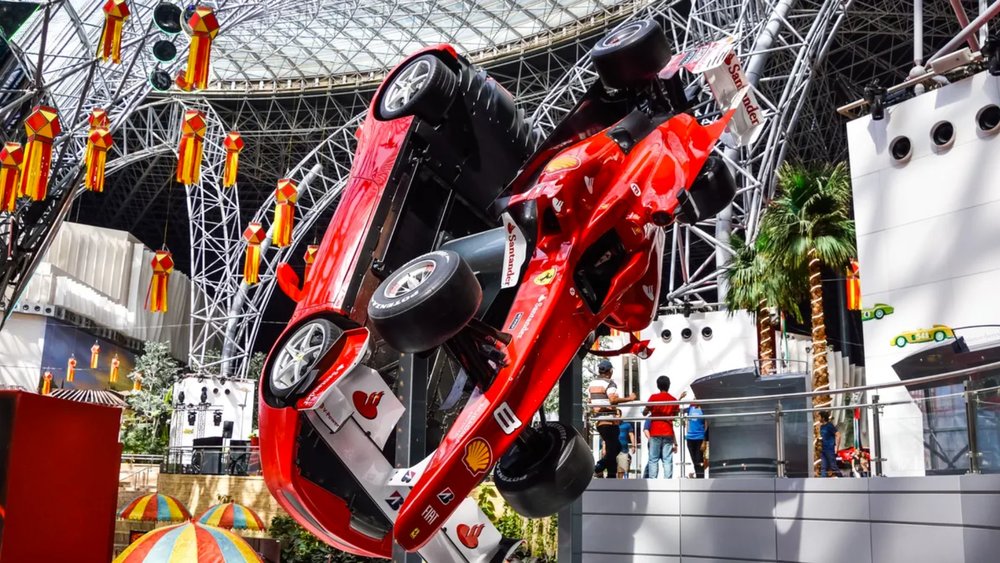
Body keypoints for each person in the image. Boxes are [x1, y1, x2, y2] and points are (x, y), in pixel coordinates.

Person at [589, 359, 636, 478]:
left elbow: (589, 400)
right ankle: (598, 467)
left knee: (611, 448)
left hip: (599, 421)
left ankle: (611, 475)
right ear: (609, 371)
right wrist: (629, 398)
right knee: (617, 447)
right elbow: (613, 400)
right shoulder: (610, 383)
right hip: (609, 420)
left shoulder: (592, 384)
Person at [643, 375, 679, 478]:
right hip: (668, 430)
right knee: (667, 458)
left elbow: (645, 413)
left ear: (658, 385)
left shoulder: (653, 398)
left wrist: (648, 411)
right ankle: (667, 480)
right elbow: (675, 416)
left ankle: (653, 480)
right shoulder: (674, 400)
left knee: (653, 458)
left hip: (655, 430)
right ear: (669, 385)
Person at [684, 400, 707, 478]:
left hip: (699, 438)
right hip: (690, 438)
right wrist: (680, 398)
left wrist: (704, 440)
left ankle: (700, 478)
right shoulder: (690, 408)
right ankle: (698, 477)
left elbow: (706, 425)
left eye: (696, 398)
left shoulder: (704, 410)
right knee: (695, 461)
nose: (694, 400)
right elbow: (678, 410)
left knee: (699, 460)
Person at [819, 411, 842, 477]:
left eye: (819, 417)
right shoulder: (822, 427)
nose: (818, 419)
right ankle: (823, 484)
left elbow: (838, 435)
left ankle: (842, 479)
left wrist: (836, 448)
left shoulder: (829, 425)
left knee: (833, 467)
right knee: (823, 468)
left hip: (830, 449)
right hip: (824, 450)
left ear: (823, 418)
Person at [616, 410, 636, 478]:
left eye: (617, 414)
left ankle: (620, 484)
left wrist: (633, 446)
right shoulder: (611, 425)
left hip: (623, 450)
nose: (616, 416)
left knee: (621, 469)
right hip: (612, 450)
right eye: (615, 414)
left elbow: (631, 435)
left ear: (620, 415)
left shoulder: (627, 425)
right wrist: (604, 447)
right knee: (612, 470)